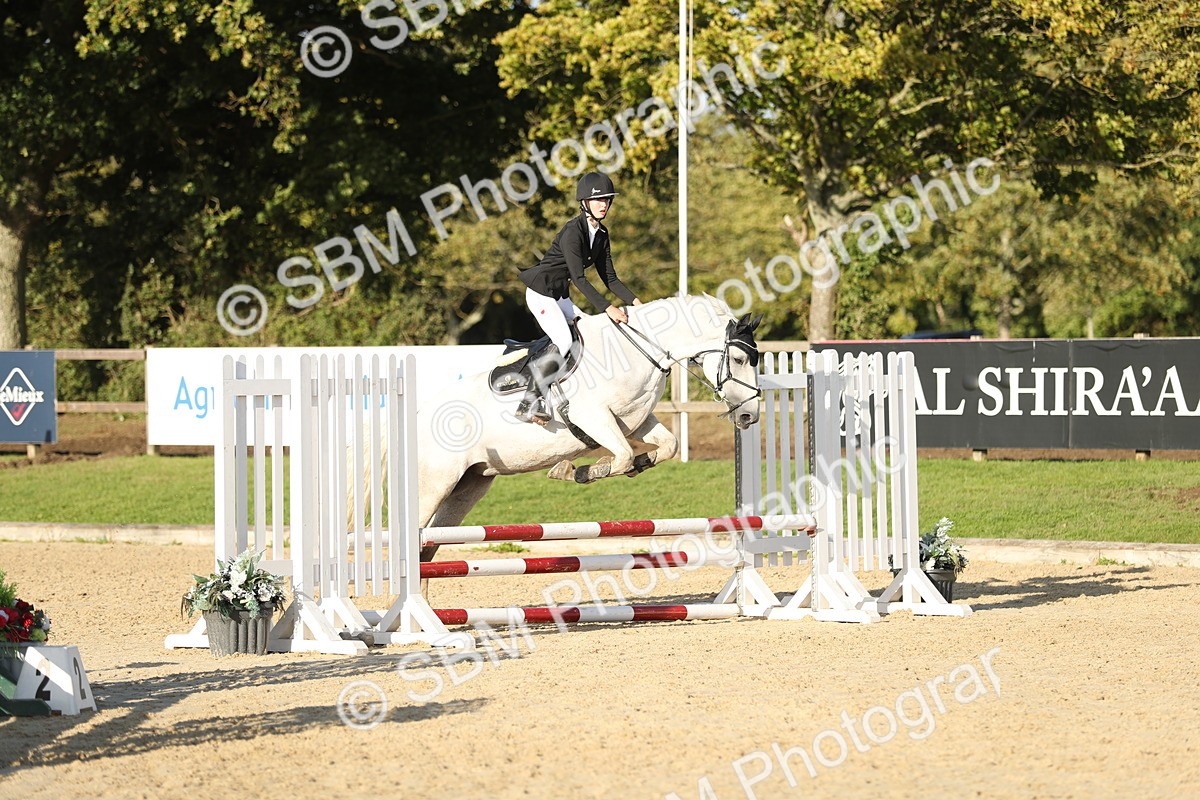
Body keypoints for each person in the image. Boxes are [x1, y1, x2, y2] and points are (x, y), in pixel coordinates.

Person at [515, 171, 642, 423]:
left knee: (588, 331)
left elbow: (611, 279)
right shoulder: (572, 231)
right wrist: (608, 308)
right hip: (541, 293)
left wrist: (638, 304)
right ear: (584, 203)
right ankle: (530, 399)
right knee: (563, 339)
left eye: (607, 200)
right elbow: (580, 278)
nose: (603, 205)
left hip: (559, 294)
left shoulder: (602, 235)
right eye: (598, 200)